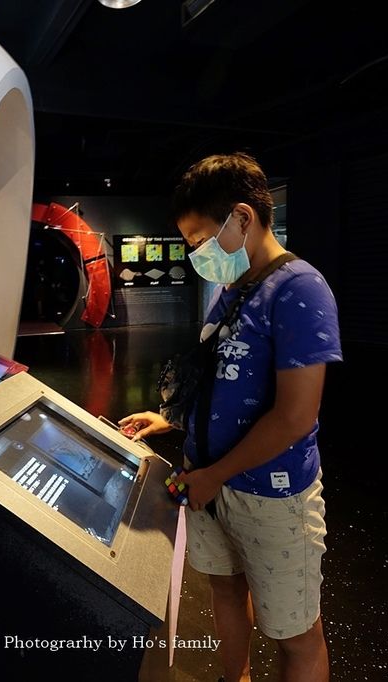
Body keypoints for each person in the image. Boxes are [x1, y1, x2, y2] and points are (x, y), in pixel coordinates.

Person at [120, 152, 342, 682]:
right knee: (224, 586)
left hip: (271, 494)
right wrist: (170, 419)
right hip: (208, 484)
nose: (196, 253)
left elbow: (294, 416)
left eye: (199, 239)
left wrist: (213, 477)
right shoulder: (234, 290)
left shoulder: (299, 291)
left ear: (242, 218)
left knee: (294, 633)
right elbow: (220, 379)